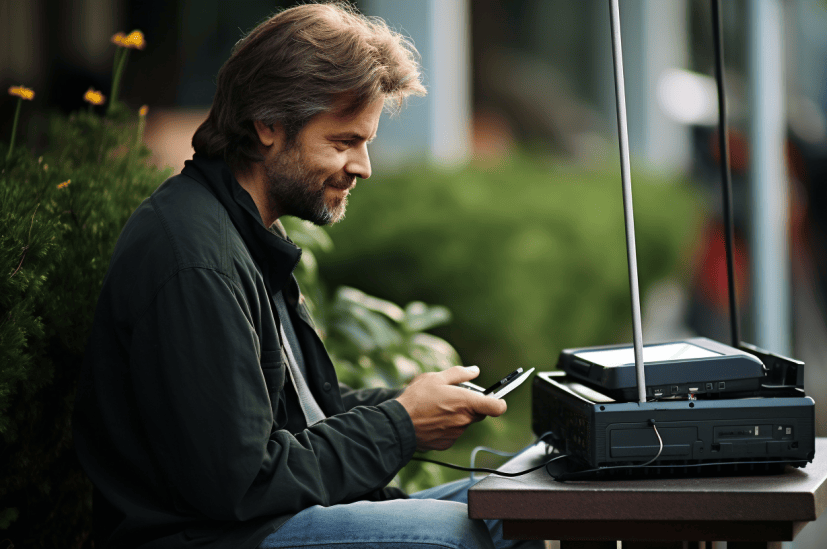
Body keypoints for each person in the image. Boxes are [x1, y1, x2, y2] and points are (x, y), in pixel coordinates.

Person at [72, 3, 539, 548]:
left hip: (260, 521)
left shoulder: (239, 232)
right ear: (268, 124)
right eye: (343, 143)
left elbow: (293, 417)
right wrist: (401, 425)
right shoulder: (196, 259)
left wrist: (407, 404)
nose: (364, 166)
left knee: (519, 508)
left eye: (364, 142)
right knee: (470, 537)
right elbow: (239, 483)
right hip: (220, 536)